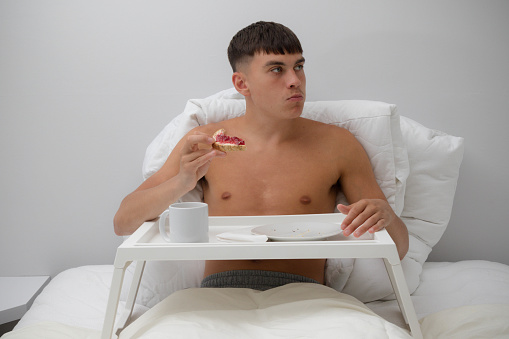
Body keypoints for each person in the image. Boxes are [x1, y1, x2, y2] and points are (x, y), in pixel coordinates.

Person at [114, 21, 408, 290]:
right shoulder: (211, 142)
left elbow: (400, 247)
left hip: (306, 295)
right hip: (218, 295)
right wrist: (181, 182)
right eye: (277, 69)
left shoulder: (337, 144)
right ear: (242, 84)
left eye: (299, 66)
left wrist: (385, 215)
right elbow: (123, 222)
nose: (295, 80)